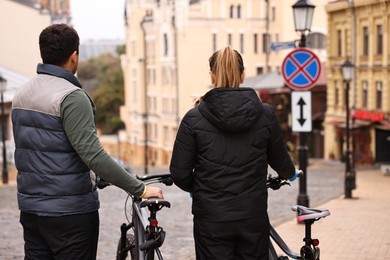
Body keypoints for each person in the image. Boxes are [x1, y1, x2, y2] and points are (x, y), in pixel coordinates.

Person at [11, 24, 163, 260]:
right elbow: (92, 154)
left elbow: (44, 150)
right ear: (74, 56)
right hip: (70, 214)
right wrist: (139, 188)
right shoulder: (71, 97)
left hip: (32, 211)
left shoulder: (21, 94)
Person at [169, 46, 299, 259]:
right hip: (252, 214)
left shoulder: (193, 118)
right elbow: (281, 162)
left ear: (212, 76)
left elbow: (179, 173)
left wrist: (201, 188)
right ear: (243, 75)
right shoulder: (265, 114)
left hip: (211, 217)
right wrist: (290, 173)